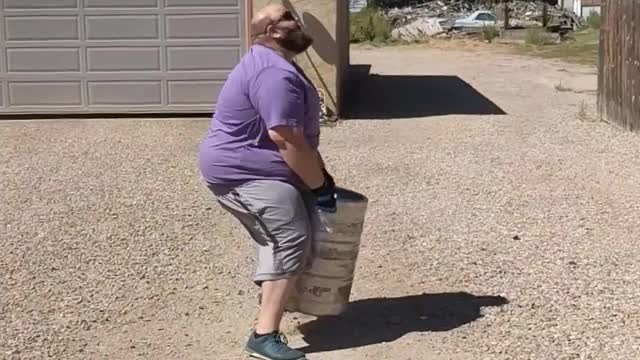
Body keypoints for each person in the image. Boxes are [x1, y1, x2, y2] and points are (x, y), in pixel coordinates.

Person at [197, 4, 336, 360]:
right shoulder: (274, 73)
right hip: (244, 173)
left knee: (281, 228)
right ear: (274, 30)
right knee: (289, 234)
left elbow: (298, 137)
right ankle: (263, 335)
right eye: (291, 18)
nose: (300, 23)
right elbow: (286, 138)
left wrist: (319, 175)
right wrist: (319, 186)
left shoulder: (274, 64)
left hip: (259, 168)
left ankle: (273, 294)